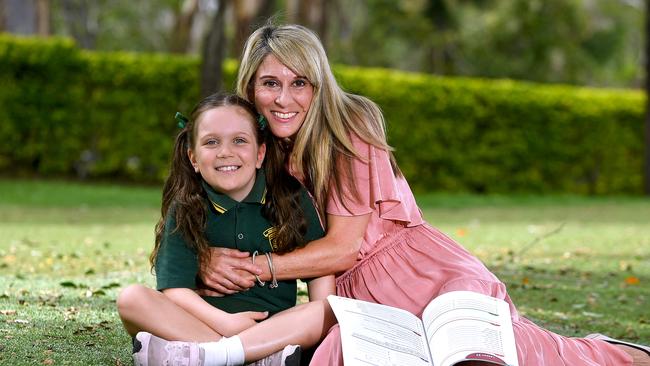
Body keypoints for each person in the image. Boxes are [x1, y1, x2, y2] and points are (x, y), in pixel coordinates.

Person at [189, 24, 650, 365]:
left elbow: (343, 247)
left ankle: (623, 356)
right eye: (270, 83)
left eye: (299, 83)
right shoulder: (257, 152)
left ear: (318, 86)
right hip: (355, 297)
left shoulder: (351, 128)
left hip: (423, 273)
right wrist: (208, 260)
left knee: (513, 357)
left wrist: (254, 269)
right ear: (250, 85)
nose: (284, 99)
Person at [116, 93, 337, 366]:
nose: (225, 152)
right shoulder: (187, 208)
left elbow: (319, 271)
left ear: (260, 154)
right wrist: (227, 324)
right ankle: (245, 356)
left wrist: (324, 317)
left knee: (326, 310)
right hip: (202, 324)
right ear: (193, 158)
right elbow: (175, 290)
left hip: (271, 329)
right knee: (131, 298)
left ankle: (208, 357)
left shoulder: (290, 198)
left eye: (239, 141)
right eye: (211, 142)